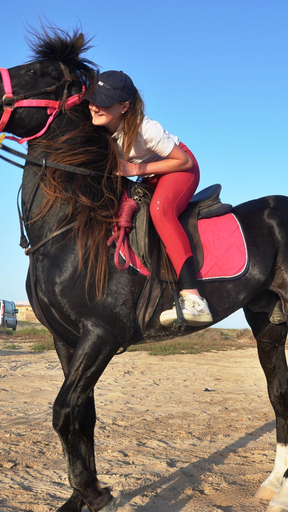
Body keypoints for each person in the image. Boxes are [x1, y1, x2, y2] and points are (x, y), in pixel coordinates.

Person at [88, 70, 212, 327]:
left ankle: (194, 299)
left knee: (160, 210)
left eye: (103, 101)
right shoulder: (95, 122)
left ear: (124, 106)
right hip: (149, 177)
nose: (94, 106)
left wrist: (135, 170)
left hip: (179, 169)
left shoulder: (147, 129)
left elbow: (183, 160)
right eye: (92, 98)